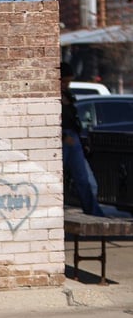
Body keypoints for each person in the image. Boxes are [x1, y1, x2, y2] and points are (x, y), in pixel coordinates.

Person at [61, 61, 105, 216]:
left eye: (68, 81)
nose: (66, 85)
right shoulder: (53, 98)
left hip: (73, 138)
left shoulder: (68, 96)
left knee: (83, 178)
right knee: (59, 178)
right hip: (63, 139)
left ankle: (93, 212)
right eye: (64, 81)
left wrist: (79, 139)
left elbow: (74, 120)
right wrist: (64, 136)